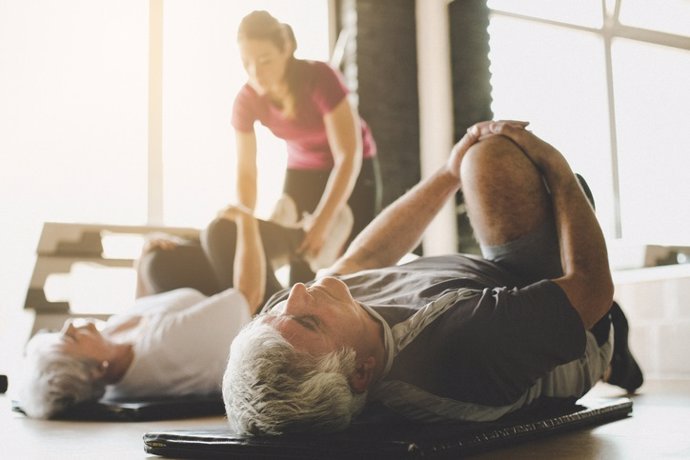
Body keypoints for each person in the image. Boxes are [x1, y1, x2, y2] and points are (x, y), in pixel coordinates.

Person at [222, 121, 644, 435]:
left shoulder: (333, 316)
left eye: (275, 311)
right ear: (362, 374)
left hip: (490, 285)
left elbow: (367, 254)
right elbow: (592, 289)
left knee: (472, 163)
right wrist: (557, 166)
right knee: (493, 158)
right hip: (585, 325)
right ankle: (615, 350)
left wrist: (448, 171)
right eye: (307, 320)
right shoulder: (460, 345)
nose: (296, 293)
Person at [18, 206, 268, 419]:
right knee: (223, 231)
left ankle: (292, 235)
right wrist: (246, 219)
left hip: (198, 299)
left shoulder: (113, 353)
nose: (69, 327)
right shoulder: (168, 346)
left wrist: (142, 261)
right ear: (97, 371)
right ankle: (297, 238)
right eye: (70, 338)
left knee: (156, 262)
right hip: (257, 307)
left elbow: (140, 309)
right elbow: (249, 295)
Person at [233, 10, 382, 283]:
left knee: (354, 262)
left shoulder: (320, 78)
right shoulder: (246, 100)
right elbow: (246, 173)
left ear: (286, 49)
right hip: (302, 168)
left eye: (265, 60)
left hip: (354, 166)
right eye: (247, 63)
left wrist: (322, 223)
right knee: (300, 260)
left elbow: (348, 155)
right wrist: (245, 222)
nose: (256, 73)